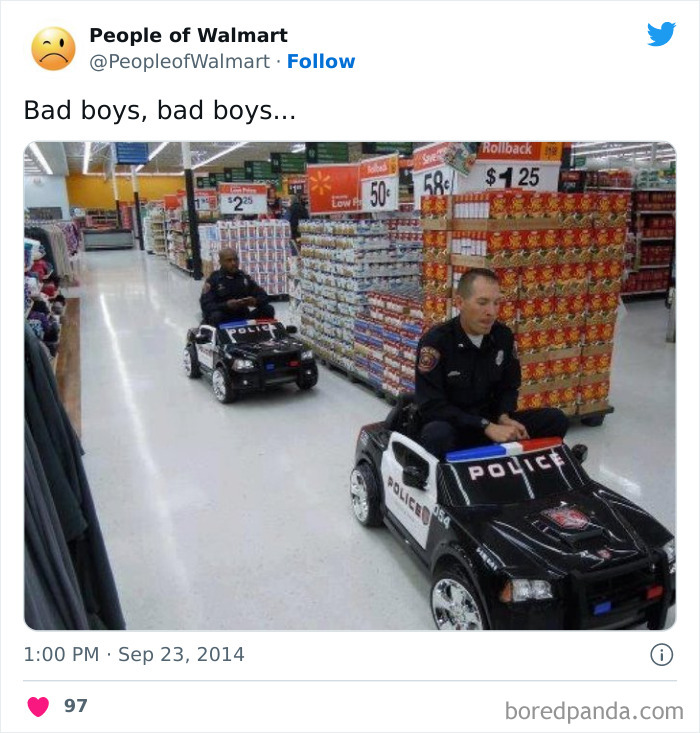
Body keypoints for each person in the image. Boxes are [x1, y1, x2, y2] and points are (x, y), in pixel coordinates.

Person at [415, 268, 568, 458]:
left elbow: (509, 386)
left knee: (555, 419)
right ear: (459, 302)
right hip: (455, 427)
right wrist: (483, 425)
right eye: (482, 303)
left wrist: (504, 417)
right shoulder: (435, 342)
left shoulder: (503, 336)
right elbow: (431, 406)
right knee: (436, 435)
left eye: (496, 303)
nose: (492, 312)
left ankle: (530, 474)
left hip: (494, 423)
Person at [200, 248, 275, 326]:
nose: (233, 263)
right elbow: (205, 306)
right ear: (220, 262)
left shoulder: (243, 277)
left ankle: (266, 336)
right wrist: (226, 305)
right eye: (229, 260)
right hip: (224, 317)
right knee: (216, 316)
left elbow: (264, 296)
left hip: (243, 316)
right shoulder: (213, 279)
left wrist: (255, 301)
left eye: (235, 260)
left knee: (268, 309)